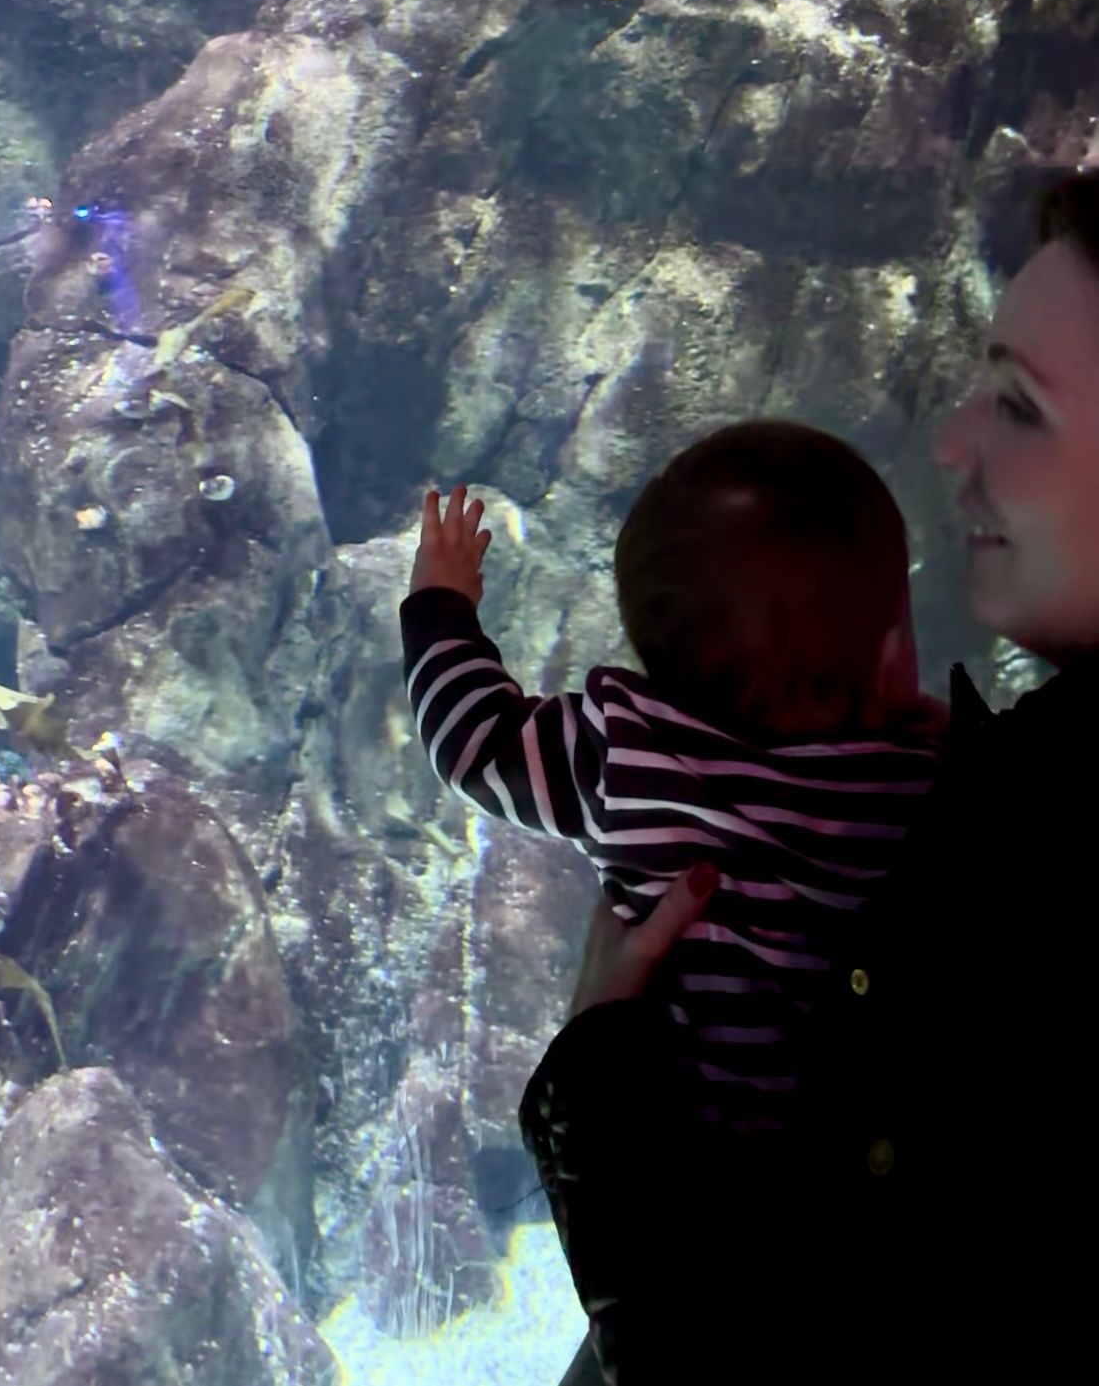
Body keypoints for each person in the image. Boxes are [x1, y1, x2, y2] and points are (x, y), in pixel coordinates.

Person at [518, 168, 1099, 1383]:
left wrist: (603, 1065)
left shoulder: (1035, 874)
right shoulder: (990, 803)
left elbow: (747, 1346)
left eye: (1020, 406)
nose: (951, 442)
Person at [402, 421, 945, 1144]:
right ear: (887, 657)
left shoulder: (627, 754)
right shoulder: (912, 787)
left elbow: (472, 743)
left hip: (690, 1180)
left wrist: (441, 605)